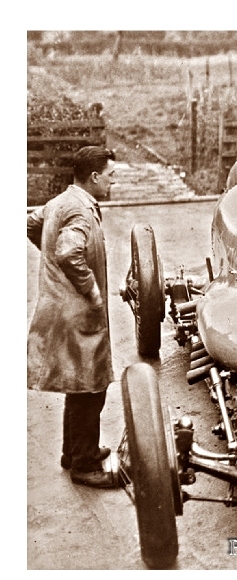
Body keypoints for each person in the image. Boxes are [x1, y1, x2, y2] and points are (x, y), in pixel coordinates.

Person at [27, 146, 117, 488]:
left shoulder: (61, 202)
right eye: (110, 176)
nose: (113, 182)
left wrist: (47, 257)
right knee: (92, 388)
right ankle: (85, 465)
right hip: (77, 314)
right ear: (93, 177)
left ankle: (75, 450)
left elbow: (31, 224)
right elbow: (68, 252)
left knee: (78, 384)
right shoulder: (79, 211)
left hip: (59, 308)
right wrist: (91, 291)